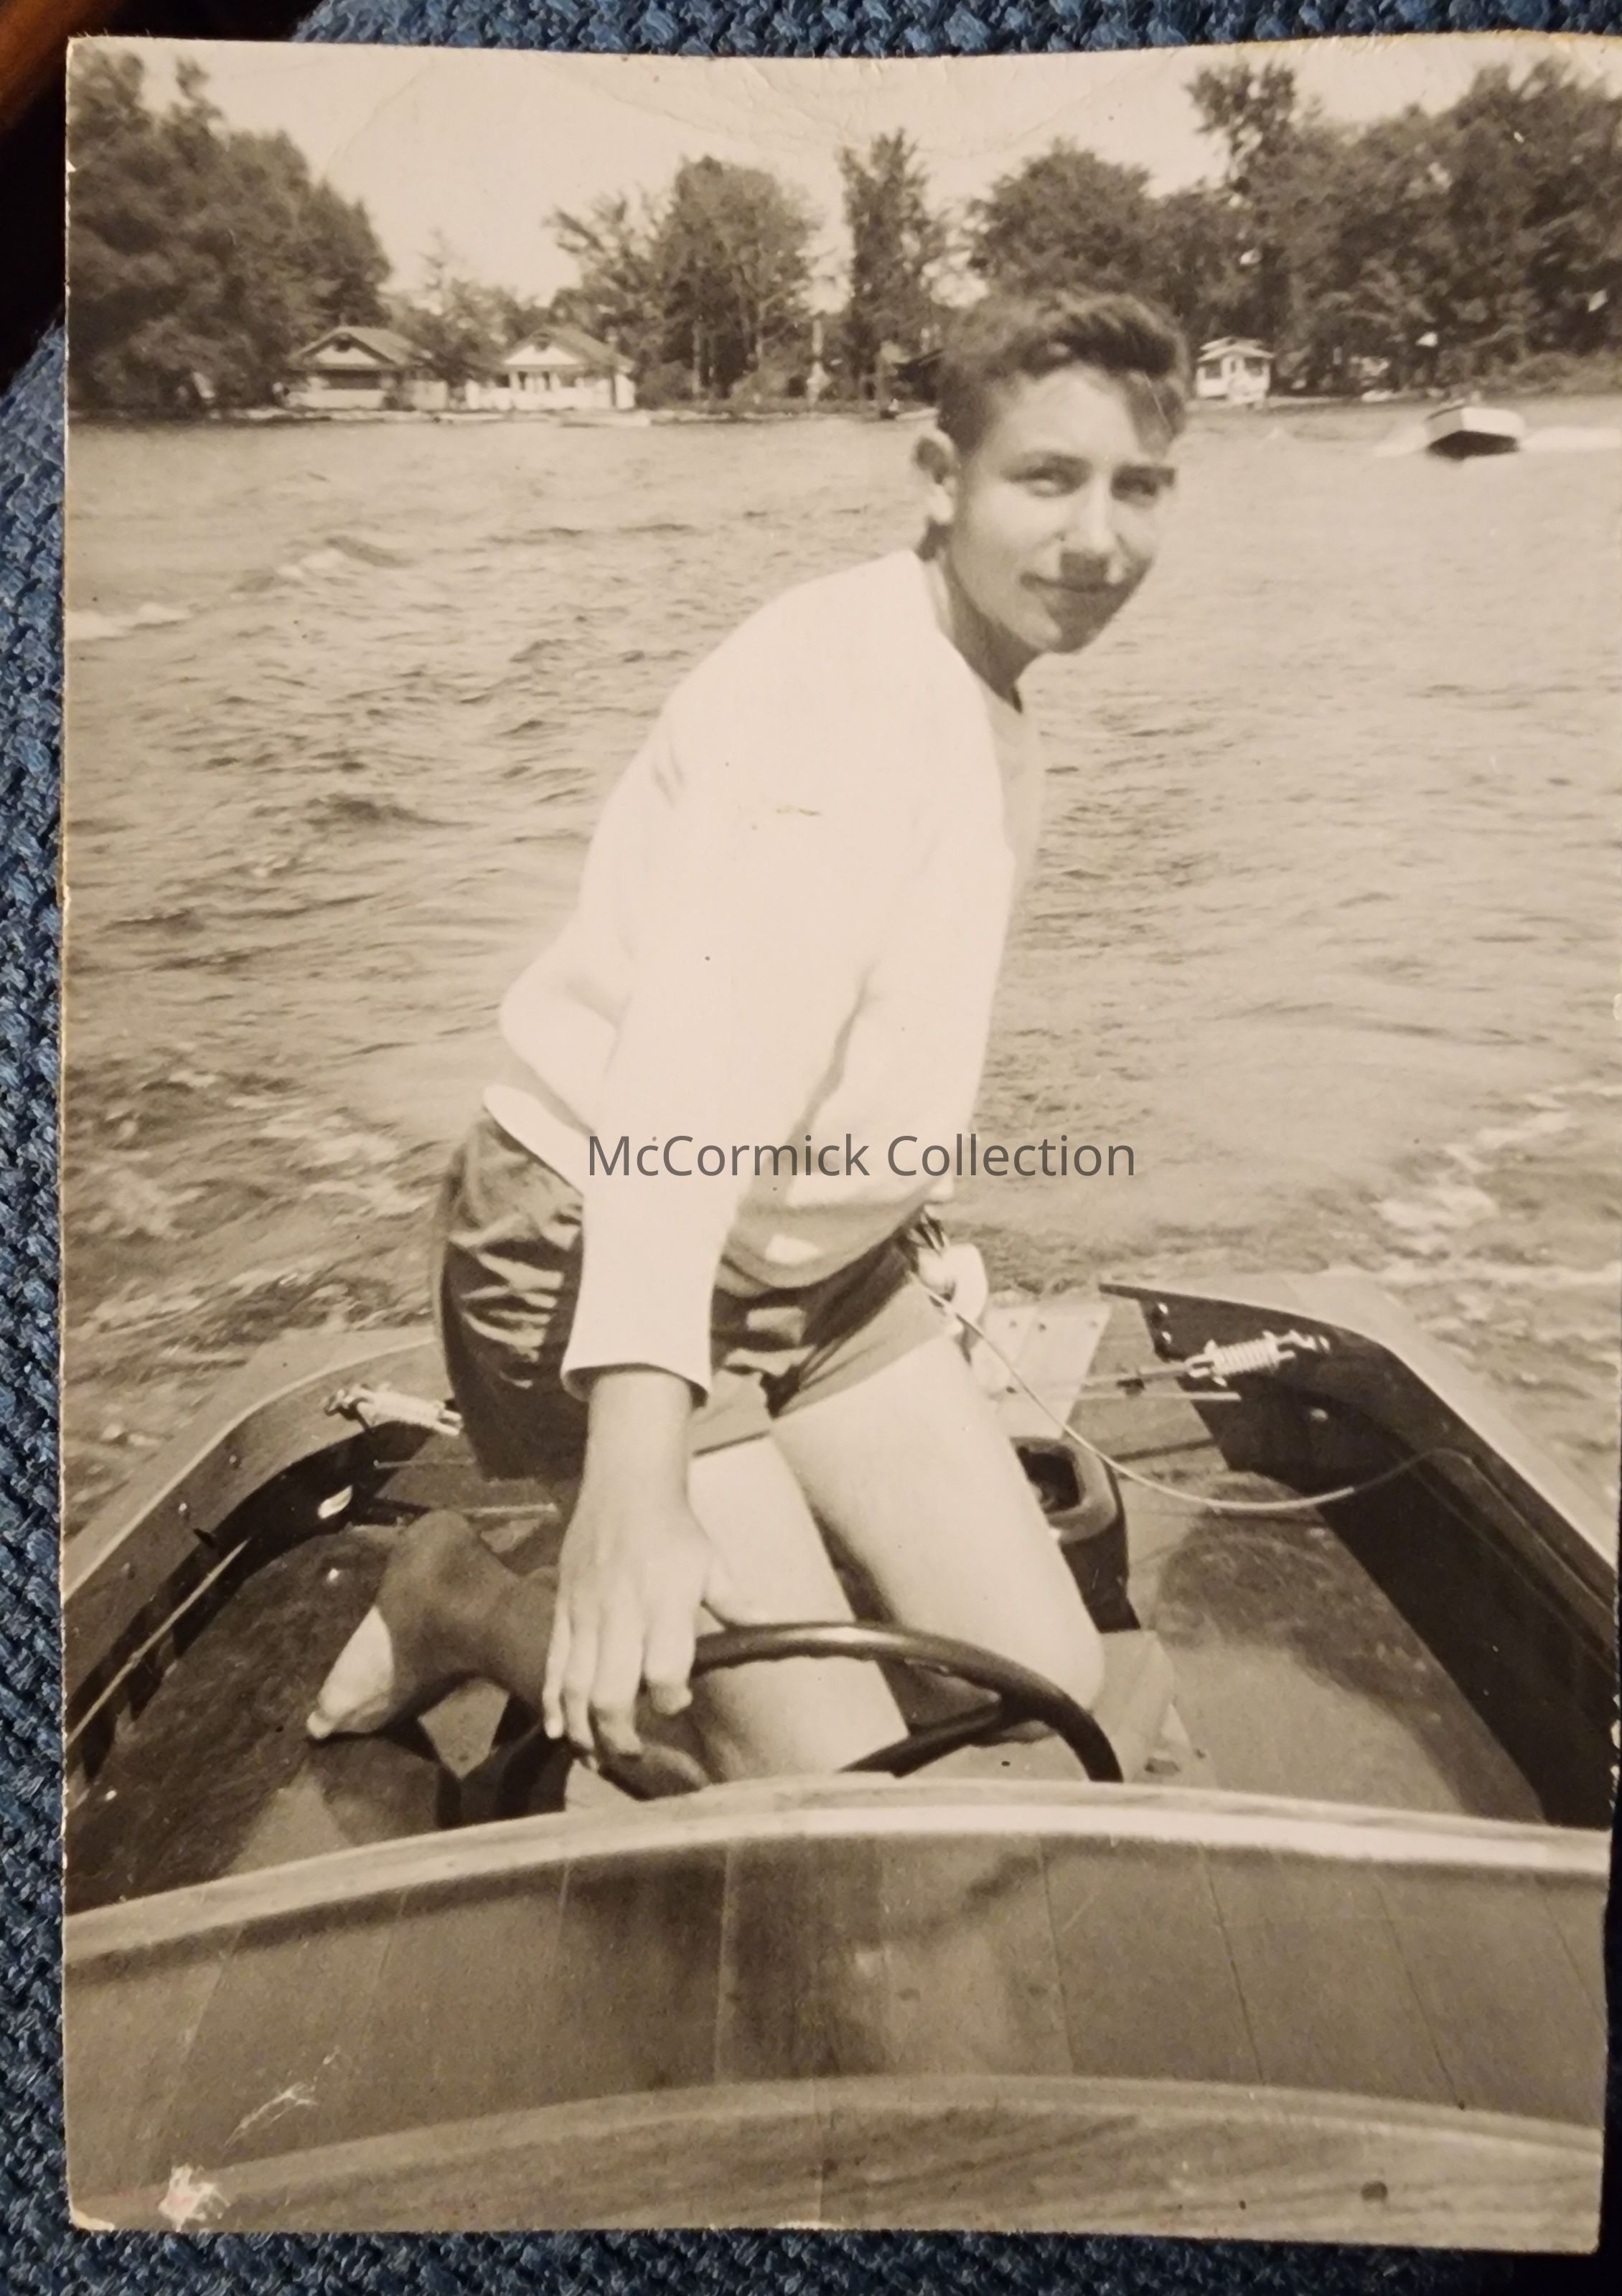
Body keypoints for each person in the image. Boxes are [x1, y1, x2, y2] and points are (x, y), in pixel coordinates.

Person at [308, 289, 1189, 1784]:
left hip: (812, 1270)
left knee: (1066, 1700)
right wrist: (636, 1488)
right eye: (1049, 479)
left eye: (1140, 487)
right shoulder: (843, 711)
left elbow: (861, 1031)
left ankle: (736, 1560)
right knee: (832, 1810)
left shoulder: (973, 677)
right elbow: (679, 1092)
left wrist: (900, 1217)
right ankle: (462, 1597)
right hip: (599, 1239)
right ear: (942, 477)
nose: (1098, 537)